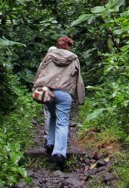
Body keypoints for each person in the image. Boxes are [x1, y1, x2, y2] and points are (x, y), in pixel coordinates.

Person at [33, 35, 85, 170]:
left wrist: (36, 87)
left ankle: (50, 142)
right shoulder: (74, 58)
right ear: (68, 46)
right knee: (62, 121)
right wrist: (80, 98)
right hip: (65, 92)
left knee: (52, 116)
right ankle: (59, 152)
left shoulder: (49, 55)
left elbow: (40, 71)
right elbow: (78, 79)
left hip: (48, 91)